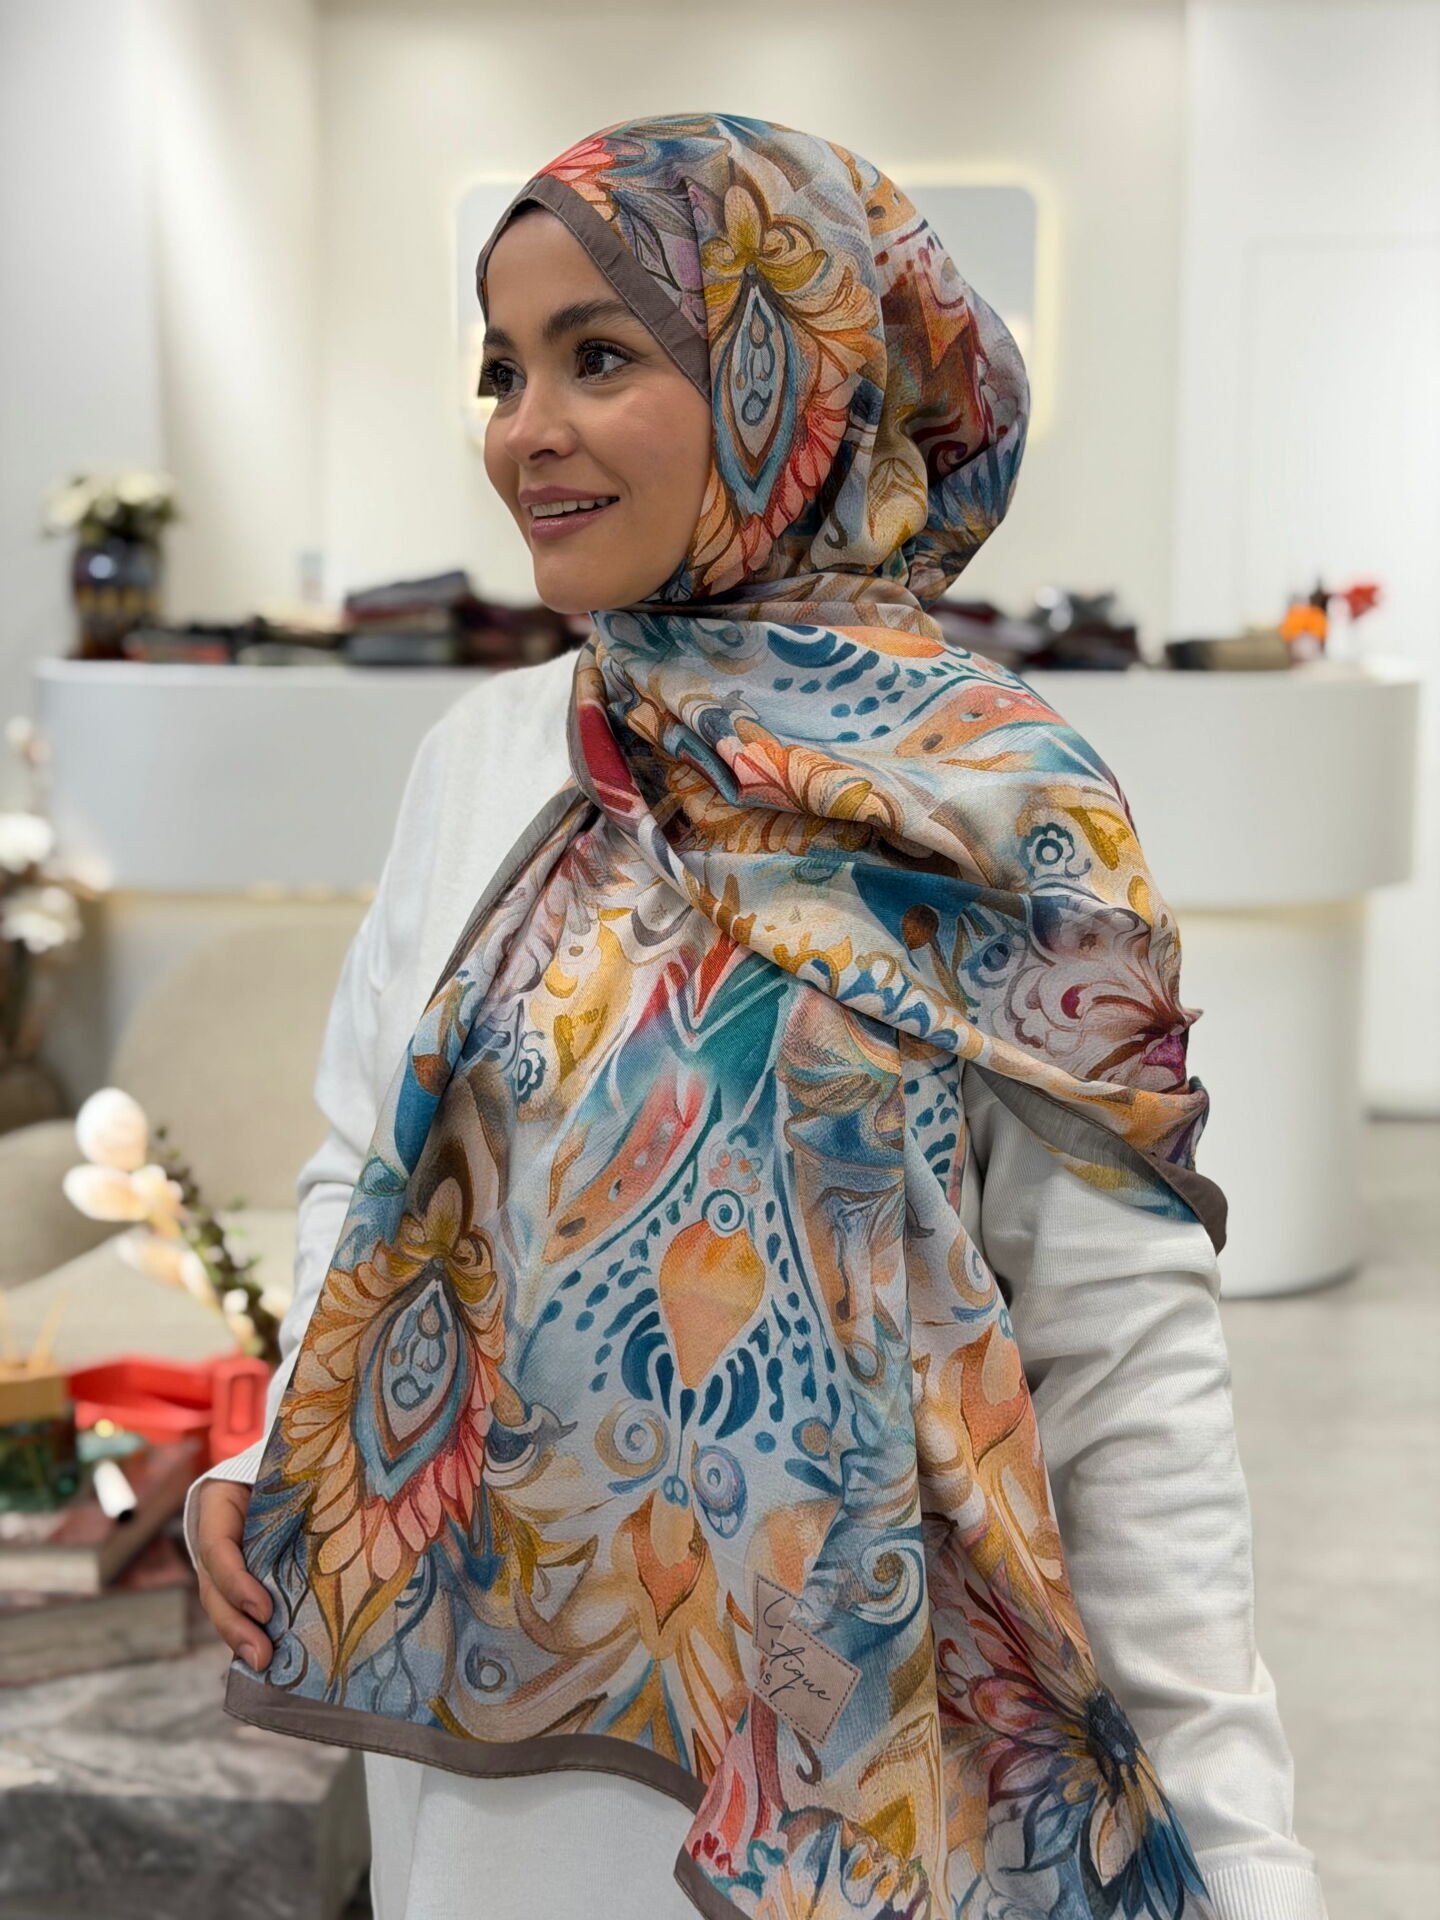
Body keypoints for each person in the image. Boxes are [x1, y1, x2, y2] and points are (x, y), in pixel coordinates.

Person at [186, 114, 1327, 1919]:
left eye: (601, 356)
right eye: (501, 369)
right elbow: (367, 1168)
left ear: (792, 383)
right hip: (486, 1758)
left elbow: (1125, 1381)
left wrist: (1250, 1856)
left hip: (862, 1771)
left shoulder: (1000, 806)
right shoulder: (488, 756)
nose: (525, 428)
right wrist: (279, 1446)